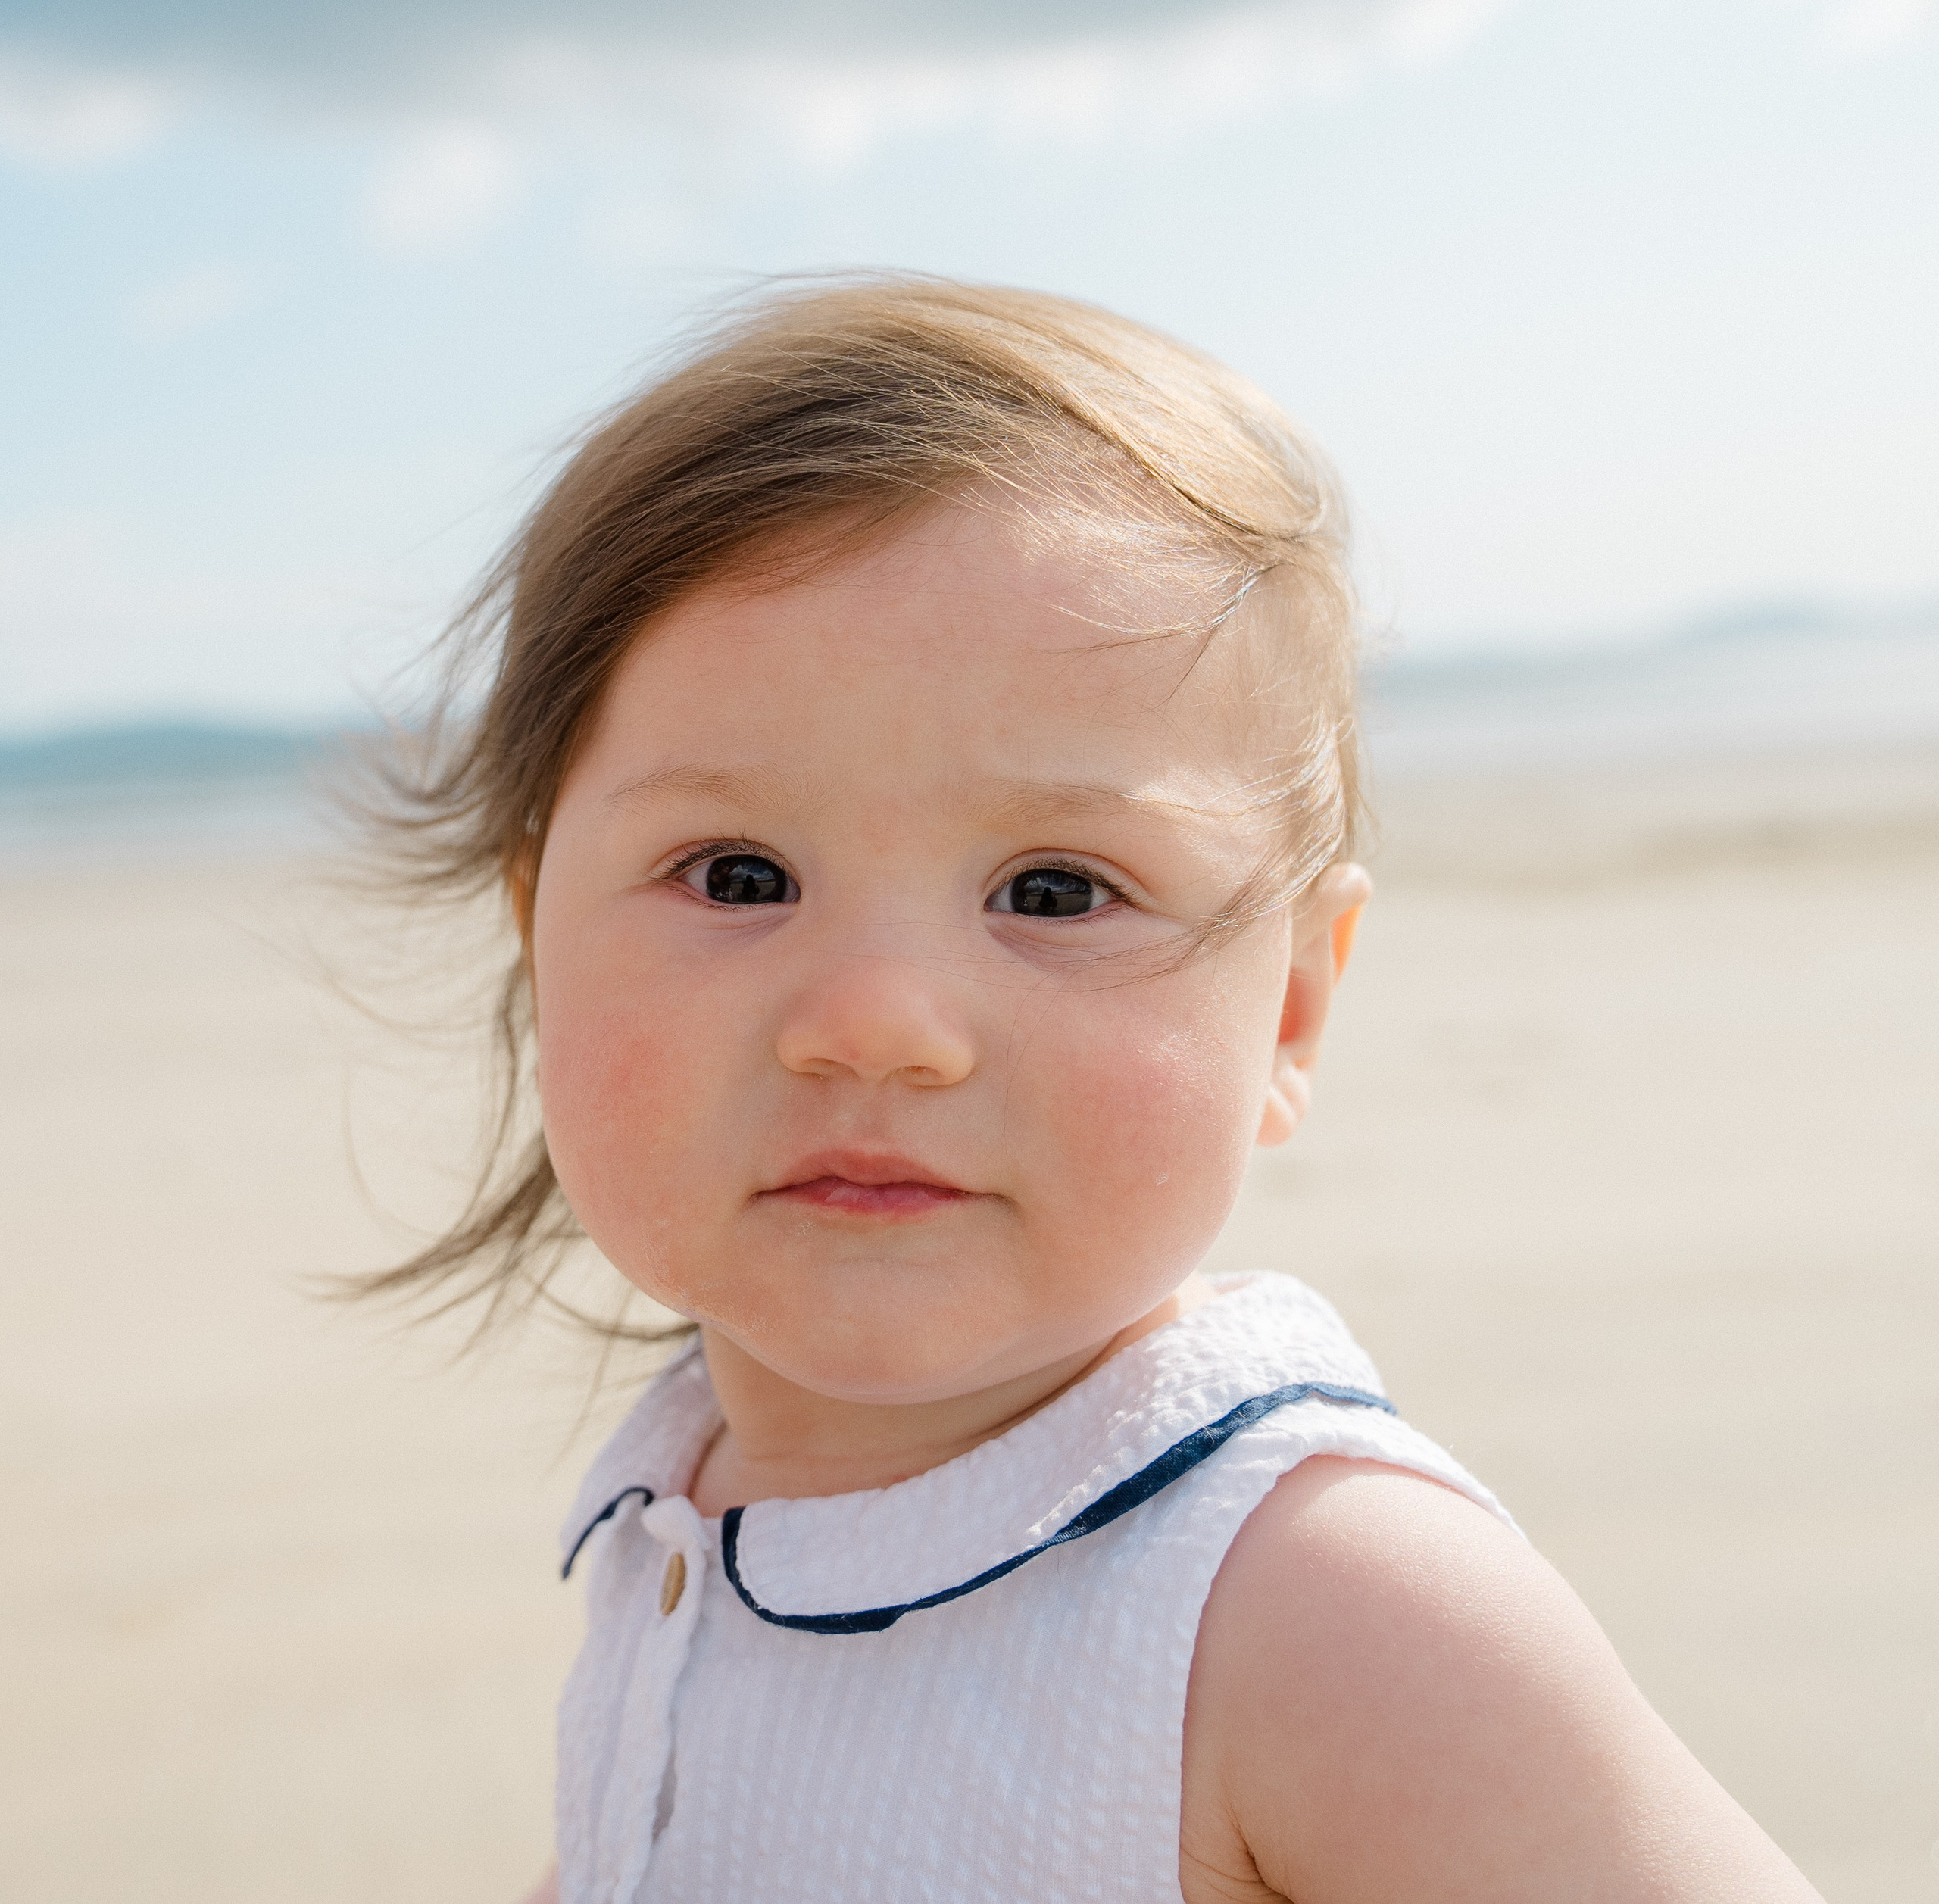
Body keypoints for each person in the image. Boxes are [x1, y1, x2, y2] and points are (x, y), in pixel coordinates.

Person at [367, 276, 1822, 1902]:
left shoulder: (1310, 1604)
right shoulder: (675, 1509)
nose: (877, 1025)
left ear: (1286, 1007)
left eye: (1052, 892)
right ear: (535, 934)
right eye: (736, 871)